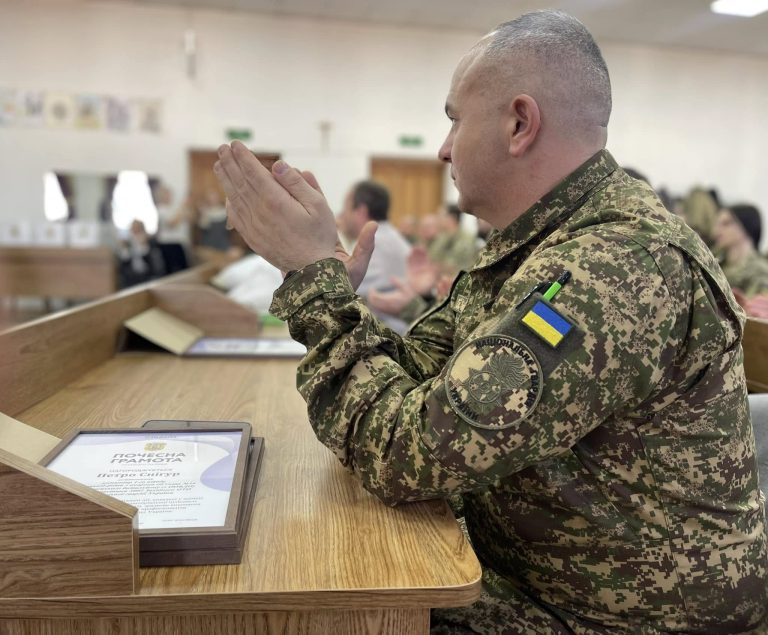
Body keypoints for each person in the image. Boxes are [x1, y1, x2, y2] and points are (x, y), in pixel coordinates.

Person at [214, 10, 767, 634]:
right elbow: (422, 384)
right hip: (548, 582)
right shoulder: (536, 244)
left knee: (313, 605)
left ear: (519, 124)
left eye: (455, 118)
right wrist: (330, 291)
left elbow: (401, 452)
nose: (444, 147)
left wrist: (313, 283)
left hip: (620, 619)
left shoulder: (614, 268)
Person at [336, 180, 412, 332]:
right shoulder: (389, 237)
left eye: (346, 209)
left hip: (386, 335)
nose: (341, 216)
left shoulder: (375, 244)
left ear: (361, 212)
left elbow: (341, 293)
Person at [714, 203, 768, 298]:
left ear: (745, 226)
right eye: (717, 224)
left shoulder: (760, 271)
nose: (717, 230)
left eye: (726, 223)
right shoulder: (715, 264)